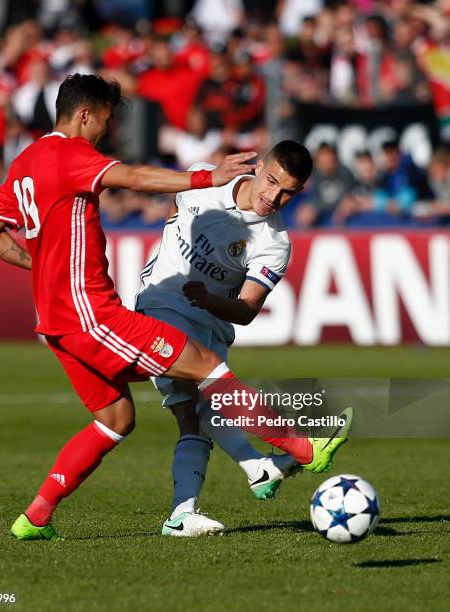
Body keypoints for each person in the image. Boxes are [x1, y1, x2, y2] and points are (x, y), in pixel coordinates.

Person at [0, 74, 352, 541]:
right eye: (106, 121)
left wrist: (42, 267)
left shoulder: (27, 160)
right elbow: (133, 176)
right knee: (208, 369)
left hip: (56, 322)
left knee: (117, 420)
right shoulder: (71, 154)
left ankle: (35, 517)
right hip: (92, 315)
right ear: (85, 115)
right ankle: (299, 450)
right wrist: (207, 177)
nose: (106, 132)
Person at [136, 140, 341, 536]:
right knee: (203, 390)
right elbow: (174, 205)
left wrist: (210, 300)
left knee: (192, 419)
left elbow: (246, 310)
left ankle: (184, 514)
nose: (274, 197)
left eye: (287, 193)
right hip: (160, 306)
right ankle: (279, 455)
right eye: (272, 181)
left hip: (211, 325)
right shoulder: (203, 180)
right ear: (260, 166)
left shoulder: (275, 243)